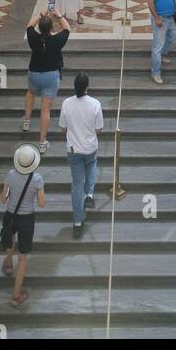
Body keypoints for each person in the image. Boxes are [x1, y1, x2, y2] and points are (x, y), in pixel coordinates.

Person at [0, 143, 45, 308]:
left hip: (10, 215)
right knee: (24, 258)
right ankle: (16, 296)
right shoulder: (37, 179)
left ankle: (9, 264)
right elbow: (41, 203)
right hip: (26, 219)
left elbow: (3, 198)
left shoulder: (10, 175)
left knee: (9, 237)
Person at [59, 72, 104, 239]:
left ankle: (77, 222)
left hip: (73, 149)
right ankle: (90, 194)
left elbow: (62, 128)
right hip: (90, 146)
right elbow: (99, 129)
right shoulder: (95, 104)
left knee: (76, 185)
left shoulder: (66, 103)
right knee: (92, 165)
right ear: (87, 86)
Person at [24, 8, 70, 153]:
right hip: (51, 76)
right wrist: (59, 15)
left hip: (34, 74)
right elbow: (67, 29)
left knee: (31, 93)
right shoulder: (57, 40)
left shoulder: (32, 37)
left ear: (39, 27)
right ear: (52, 28)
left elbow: (29, 26)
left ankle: (26, 121)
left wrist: (41, 14)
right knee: (45, 110)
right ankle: (42, 142)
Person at [148, 0, 176, 84]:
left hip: (170, 17)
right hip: (160, 18)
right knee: (157, 46)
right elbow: (150, 2)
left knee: (173, 37)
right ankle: (155, 72)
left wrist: (174, 6)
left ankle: (163, 54)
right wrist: (157, 18)